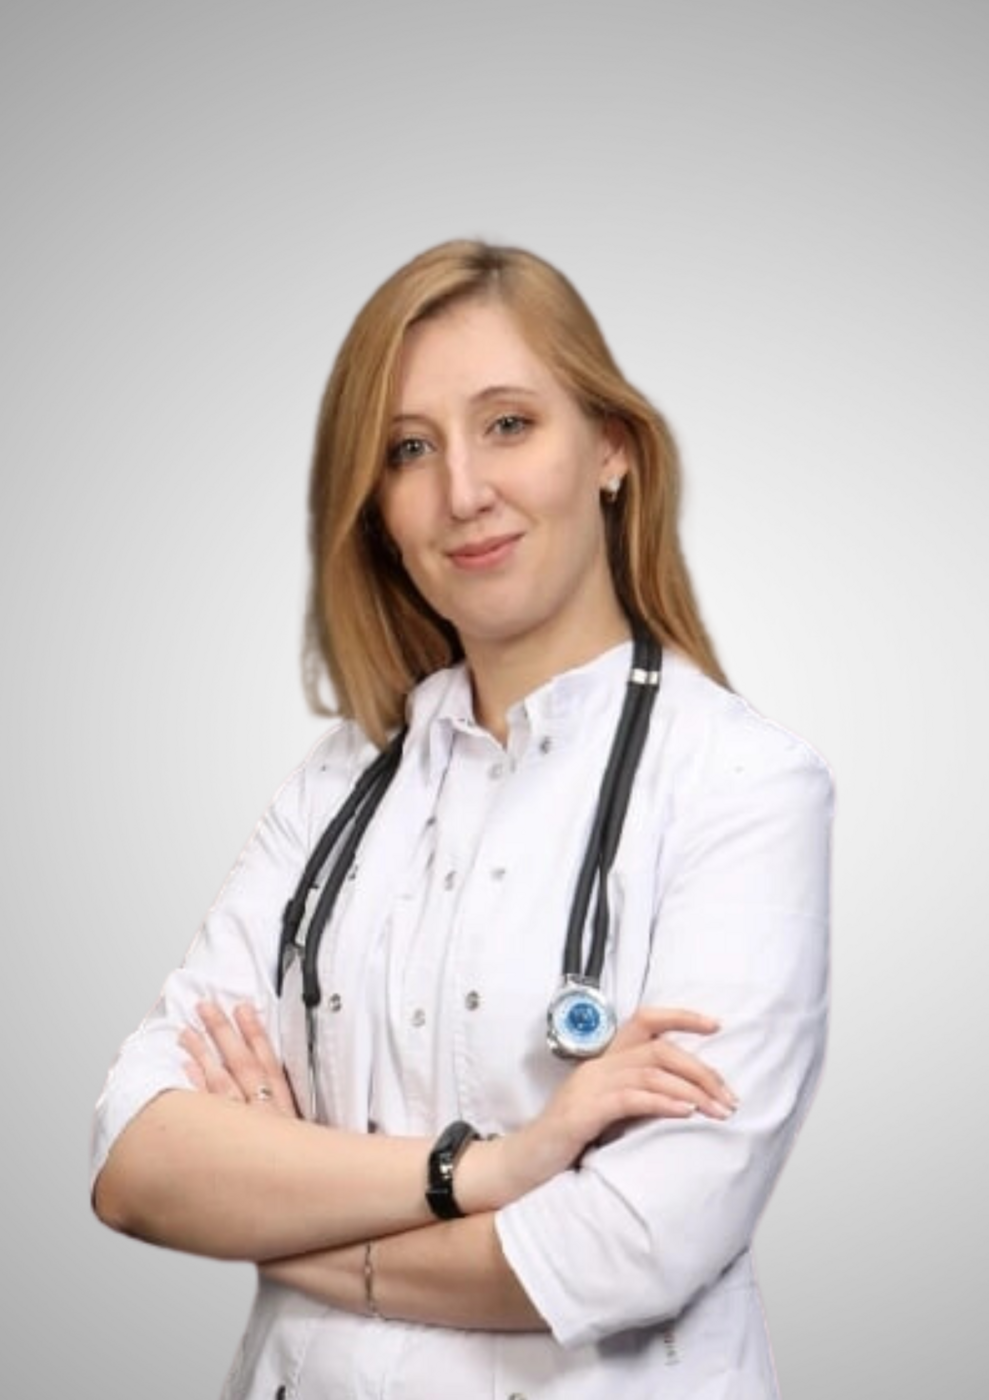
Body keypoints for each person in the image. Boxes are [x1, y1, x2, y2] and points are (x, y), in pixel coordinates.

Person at [91, 239, 833, 1400]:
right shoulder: (335, 787)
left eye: (507, 424)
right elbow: (139, 1161)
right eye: (409, 448)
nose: (462, 493)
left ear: (611, 448)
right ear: (374, 506)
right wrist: (489, 1169)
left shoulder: (742, 786)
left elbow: (632, 1243)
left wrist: (280, 1211)